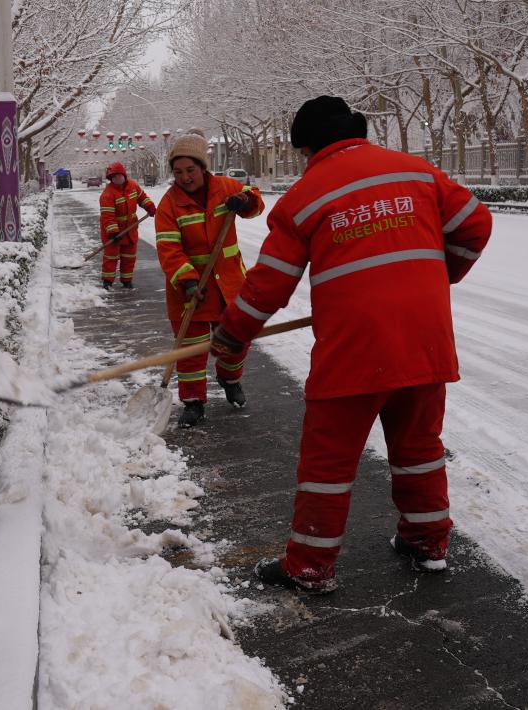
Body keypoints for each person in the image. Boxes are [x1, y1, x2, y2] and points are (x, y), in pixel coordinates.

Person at [211, 96, 492, 593]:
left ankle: (310, 565)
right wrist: (437, 275)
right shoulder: (417, 171)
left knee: (328, 460)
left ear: (307, 146)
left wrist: (233, 333)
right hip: (425, 341)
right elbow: (475, 224)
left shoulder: (304, 196)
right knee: (419, 448)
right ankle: (427, 543)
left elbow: (270, 282)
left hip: (353, 352)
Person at [155, 128, 264, 428]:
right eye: (178, 172)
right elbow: (168, 249)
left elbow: (256, 202)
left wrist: (246, 201)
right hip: (190, 290)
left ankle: (230, 378)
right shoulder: (169, 205)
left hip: (229, 285)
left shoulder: (226, 187)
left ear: (203, 167)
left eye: (190, 170)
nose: (185, 177)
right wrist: (187, 280)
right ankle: (193, 402)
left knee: (236, 341)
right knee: (191, 350)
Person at [98, 161, 156, 289]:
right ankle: (107, 281)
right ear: (111, 179)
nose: (117, 178)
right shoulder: (107, 194)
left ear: (124, 175)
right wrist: (113, 231)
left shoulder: (133, 186)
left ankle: (127, 280)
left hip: (130, 230)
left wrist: (149, 206)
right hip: (113, 232)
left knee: (129, 257)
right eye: (114, 177)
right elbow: (108, 216)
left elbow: (142, 198)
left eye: (119, 175)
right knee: (111, 257)